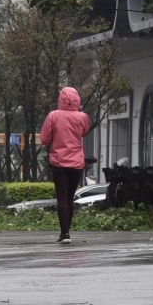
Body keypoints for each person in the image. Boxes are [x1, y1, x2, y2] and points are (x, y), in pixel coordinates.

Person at [41, 87, 92, 244]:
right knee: (70, 198)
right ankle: (67, 231)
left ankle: (65, 233)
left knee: (61, 197)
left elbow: (44, 138)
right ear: (77, 99)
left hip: (58, 161)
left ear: (60, 99)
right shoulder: (82, 117)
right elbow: (84, 131)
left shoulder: (53, 116)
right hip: (77, 163)